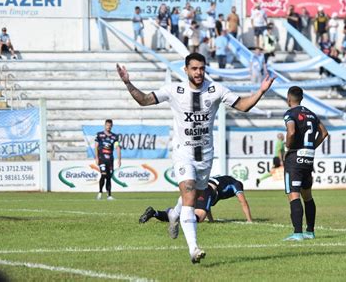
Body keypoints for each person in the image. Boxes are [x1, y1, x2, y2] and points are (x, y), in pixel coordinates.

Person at [116, 53, 275, 263]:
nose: (198, 72)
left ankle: (174, 214)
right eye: (194, 68)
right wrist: (128, 82)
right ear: (186, 70)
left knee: (193, 195)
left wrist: (261, 91)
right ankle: (194, 249)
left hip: (205, 157)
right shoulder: (175, 90)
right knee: (190, 196)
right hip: (183, 154)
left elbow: (243, 106)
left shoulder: (216, 90)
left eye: (201, 68)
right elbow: (144, 100)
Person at [282, 86, 329, 241]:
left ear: (289, 98)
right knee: (307, 195)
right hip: (308, 159)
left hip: (295, 159)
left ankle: (297, 233)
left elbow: (292, 131)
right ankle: (310, 231)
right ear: (301, 98)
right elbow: (324, 133)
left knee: (294, 194)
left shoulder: (290, 114)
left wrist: (288, 147)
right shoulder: (312, 114)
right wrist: (311, 147)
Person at [139, 175, 253, 223]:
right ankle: (181, 223)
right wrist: (249, 220)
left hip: (198, 186)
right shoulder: (236, 185)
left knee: (175, 214)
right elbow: (243, 202)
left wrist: (212, 221)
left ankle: (155, 213)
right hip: (206, 189)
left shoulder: (224, 181)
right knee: (198, 218)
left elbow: (207, 204)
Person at [95, 119, 121, 200]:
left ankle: (109, 195)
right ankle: (100, 192)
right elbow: (96, 146)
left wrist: (119, 159)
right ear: (105, 125)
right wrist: (96, 157)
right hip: (102, 159)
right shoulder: (99, 135)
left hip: (110, 160)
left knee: (109, 177)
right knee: (103, 175)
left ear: (111, 126)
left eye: (110, 126)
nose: (108, 127)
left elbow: (117, 147)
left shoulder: (114, 136)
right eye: (107, 125)